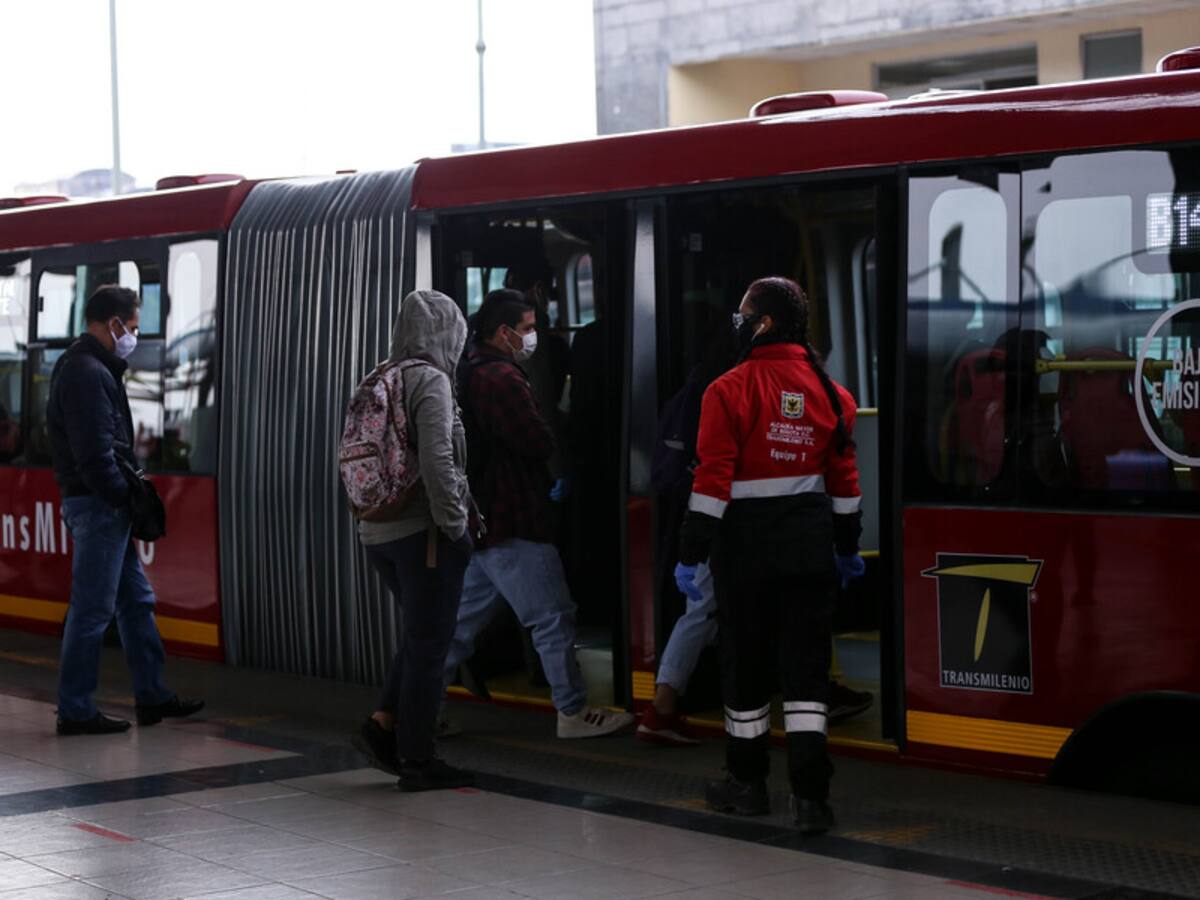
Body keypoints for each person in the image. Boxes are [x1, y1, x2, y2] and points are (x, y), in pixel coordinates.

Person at [676, 276, 864, 834]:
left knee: (747, 669)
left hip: (746, 555)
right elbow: (845, 482)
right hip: (809, 553)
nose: (736, 322)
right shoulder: (834, 395)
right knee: (806, 677)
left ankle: (747, 784)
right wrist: (848, 547)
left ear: (764, 324)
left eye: (743, 313)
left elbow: (712, 481)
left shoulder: (727, 390)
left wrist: (691, 552)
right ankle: (811, 799)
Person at [444, 289, 633, 738]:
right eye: (527, 329)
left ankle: (414, 706)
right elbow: (536, 440)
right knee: (552, 617)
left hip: (482, 518)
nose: (532, 338)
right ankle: (572, 710)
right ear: (504, 332)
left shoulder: (467, 371)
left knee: (456, 627)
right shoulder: (502, 379)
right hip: (515, 518)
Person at [48, 285, 203, 736]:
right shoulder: (85, 372)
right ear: (113, 324)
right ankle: (75, 710)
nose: (133, 336)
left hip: (106, 507)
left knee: (135, 601)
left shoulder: (94, 367)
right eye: (132, 328)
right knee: (93, 611)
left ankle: (152, 695)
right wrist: (124, 497)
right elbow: (95, 455)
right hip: (99, 508)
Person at [351, 290, 475, 792]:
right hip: (421, 533)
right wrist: (456, 527)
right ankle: (419, 760)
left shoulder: (381, 374)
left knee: (418, 635)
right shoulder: (432, 381)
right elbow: (438, 462)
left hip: (376, 529)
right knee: (431, 647)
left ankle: (382, 726)